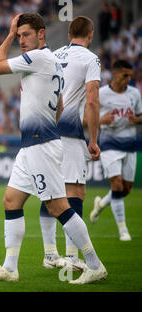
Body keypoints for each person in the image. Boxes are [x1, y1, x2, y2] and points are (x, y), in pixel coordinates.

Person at [0, 13, 106, 284]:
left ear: (41, 34)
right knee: (11, 201)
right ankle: (10, 268)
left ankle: (94, 265)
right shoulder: (51, 61)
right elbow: (59, 105)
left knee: (58, 206)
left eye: (25, 35)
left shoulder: (40, 58)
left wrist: (9, 34)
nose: (22, 40)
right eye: (19, 35)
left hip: (41, 144)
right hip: (32, 144)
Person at [38, 16, 101, 271]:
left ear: (68, 34)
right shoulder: (90, 58)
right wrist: (94, 140)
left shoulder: (52, 54)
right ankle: (73, 258)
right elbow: (93, 100)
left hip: (45, 130)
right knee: (75, 193)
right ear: (91, 34)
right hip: (71, 133)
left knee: (52, 191)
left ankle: (51, 255)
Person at [90, 60, 142, 241]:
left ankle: (101, 203)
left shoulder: (135, 93)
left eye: (130, 75)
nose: (128, 79)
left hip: (129, 144)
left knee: (126, 189)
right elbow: (87, 118)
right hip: (109, 143)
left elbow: (140, 115)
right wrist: (101, 121)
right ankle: (123, 230)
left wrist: (137, 120)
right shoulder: (101, 94)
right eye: (124, 75)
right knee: (117, 184)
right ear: (115, 74)